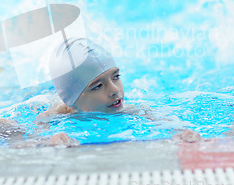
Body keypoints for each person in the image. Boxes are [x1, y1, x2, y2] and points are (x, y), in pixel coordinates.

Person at [39, 37, 201, 142]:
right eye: (98, 86)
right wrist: (48, 142)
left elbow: (162, 121)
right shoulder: (54, 116)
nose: (115, 90)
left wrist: (181, 133)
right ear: (71, 101)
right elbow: (25, 138)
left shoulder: (130, 109)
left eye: (115, 76)